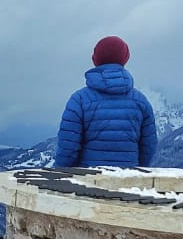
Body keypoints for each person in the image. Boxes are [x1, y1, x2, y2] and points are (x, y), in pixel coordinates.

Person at [53, 35, 158, 169]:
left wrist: (59, 175)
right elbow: (149, 146)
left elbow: (68, 147)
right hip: (129, 181)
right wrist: (137, 170)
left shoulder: (79, 100)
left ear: (95, 60)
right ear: (125, 59)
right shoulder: (140, 101)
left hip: (87, 181)